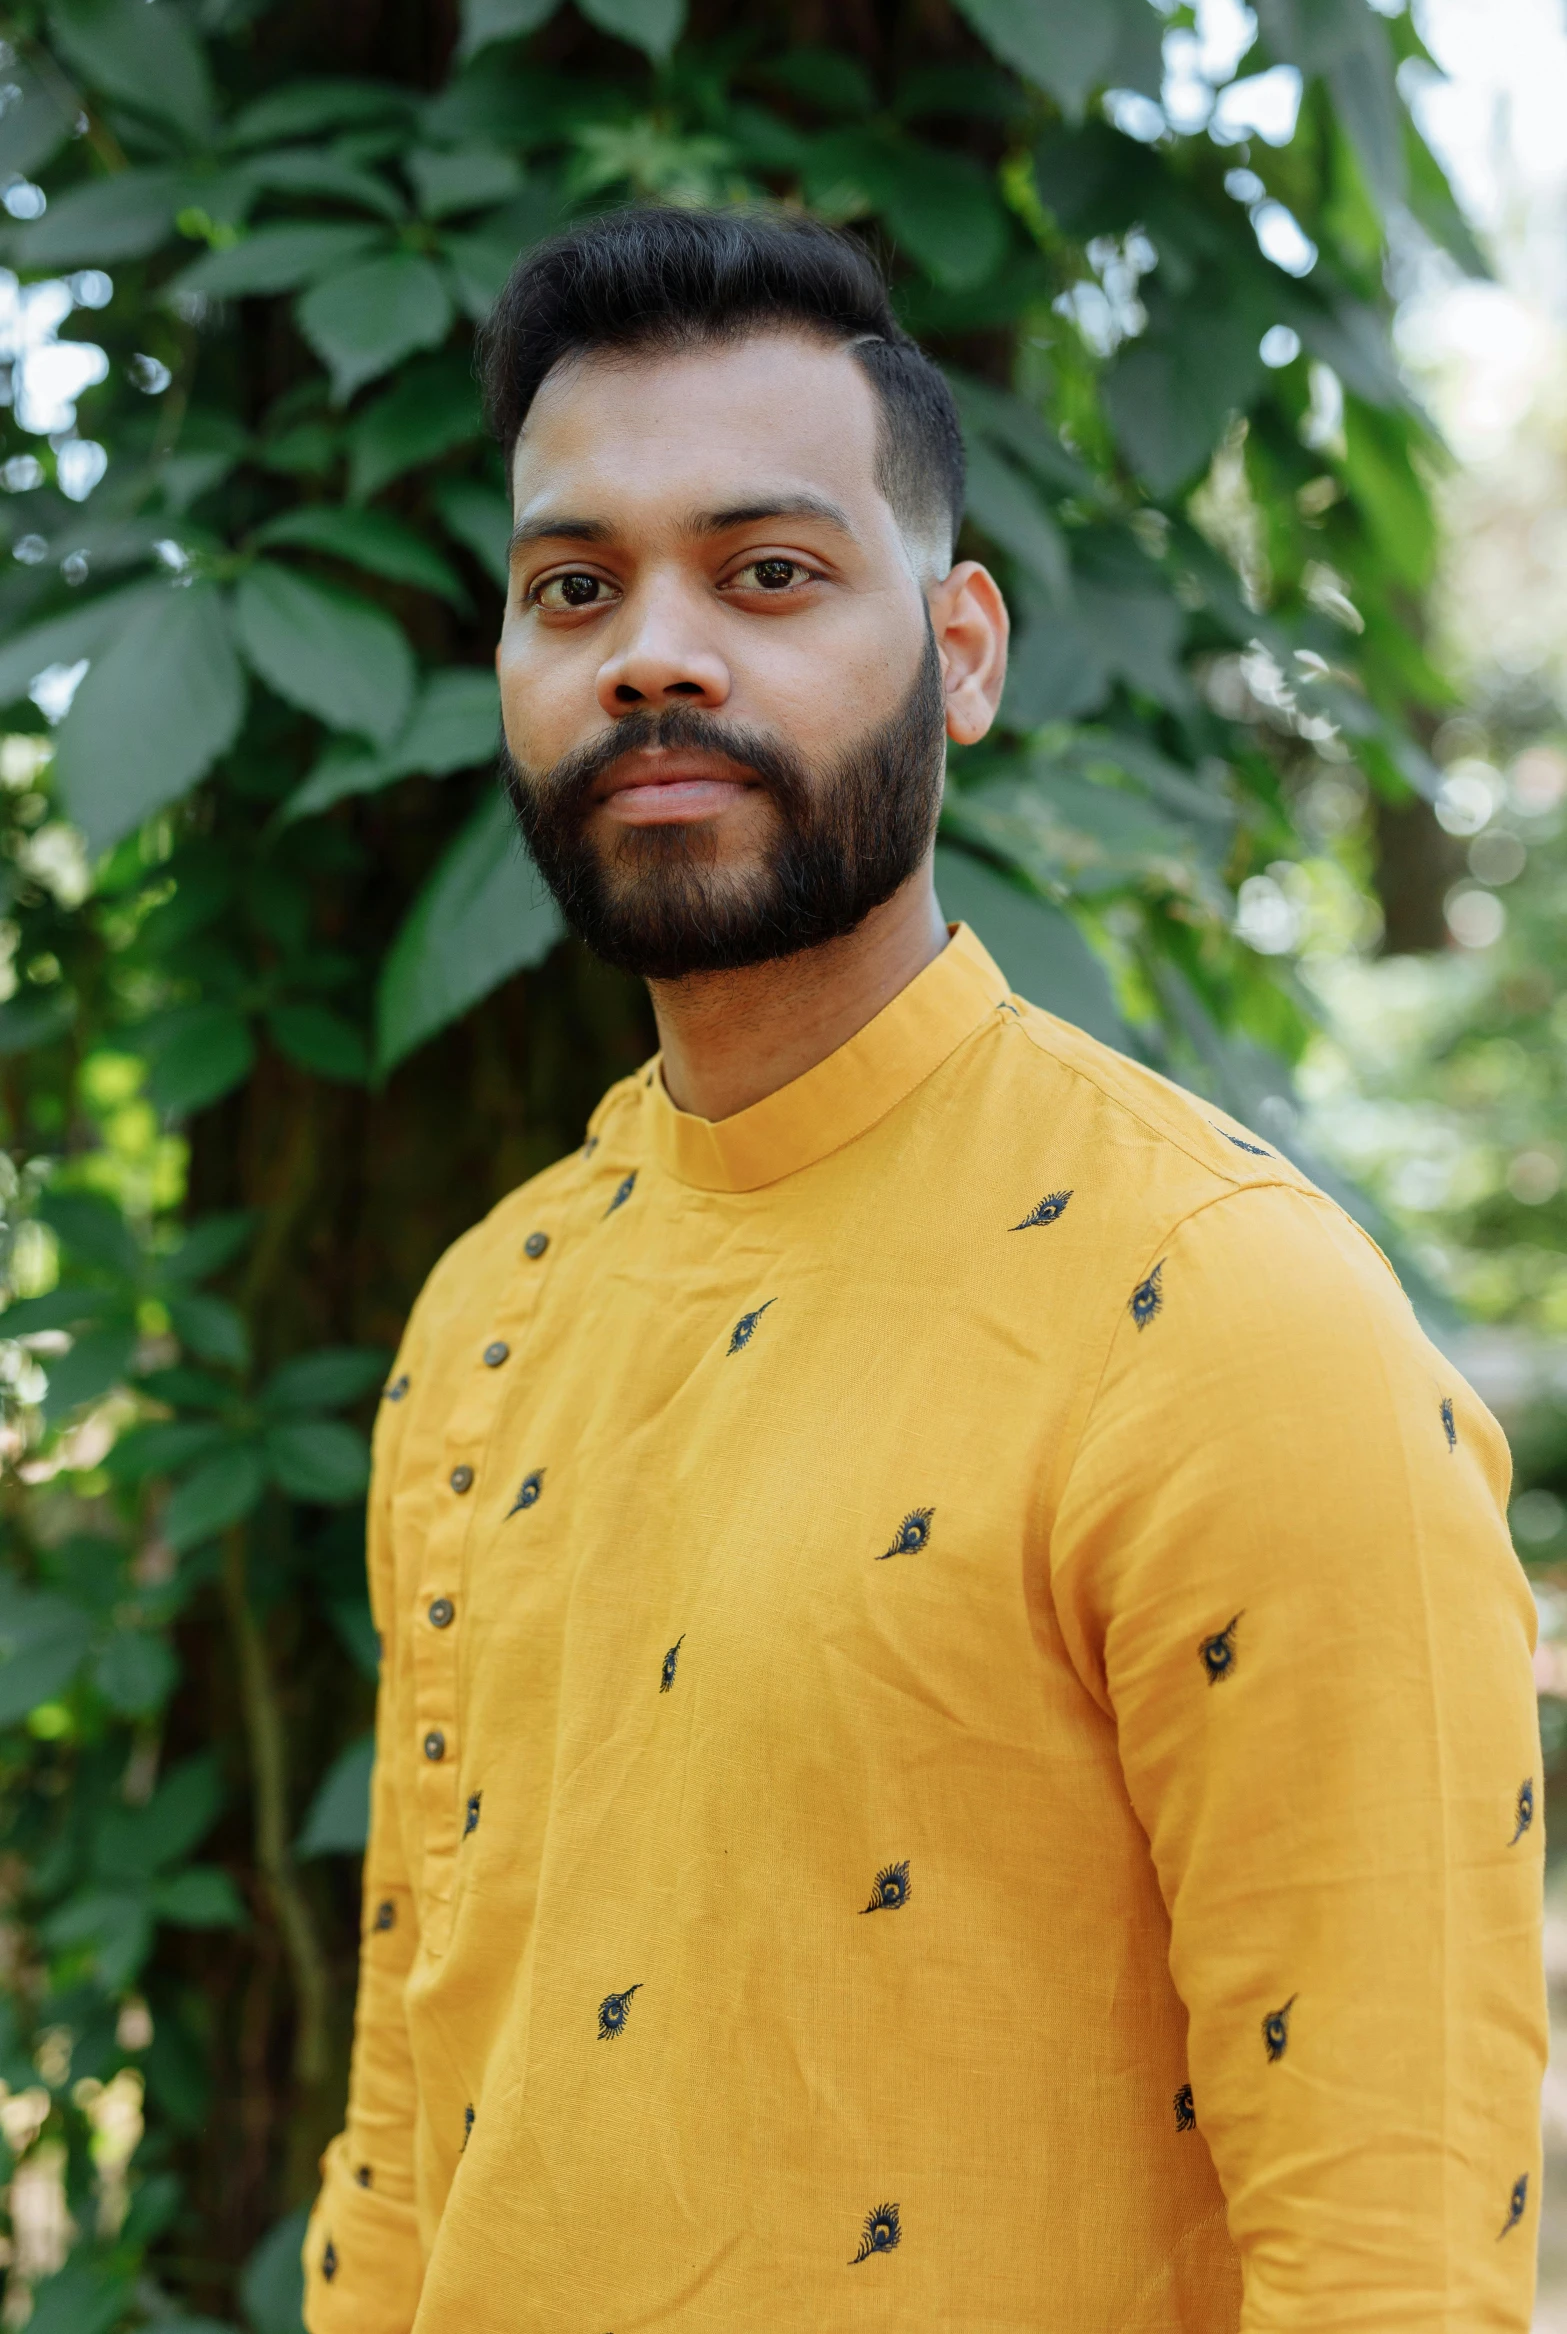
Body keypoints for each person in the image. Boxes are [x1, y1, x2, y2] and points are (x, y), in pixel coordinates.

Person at [303, 207, 1544, 2334]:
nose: (653, 653)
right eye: (570, 586)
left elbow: (1392, 2251)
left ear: (964, 645)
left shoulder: (1230, 1320)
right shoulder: (488, 1309)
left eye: (766, 571)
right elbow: (419, 2120)